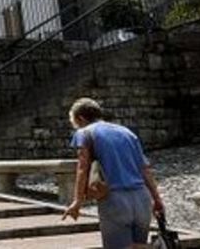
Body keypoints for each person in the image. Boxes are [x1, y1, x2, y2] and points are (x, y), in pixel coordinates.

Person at [61, 97, 165, 249]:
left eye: (74, 123)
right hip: (142, 198)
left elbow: (83, 167)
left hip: (114, 199)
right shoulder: (127, 133)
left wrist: (77, 201)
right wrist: (157, 199)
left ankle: (156, 248)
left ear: (80, 118)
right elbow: (144, 169)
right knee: (136, 245)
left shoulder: (84, 133)